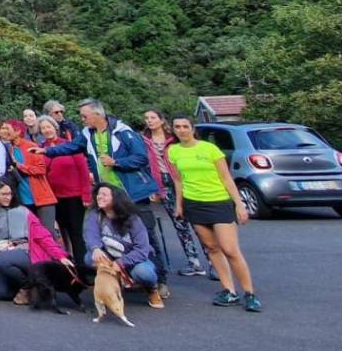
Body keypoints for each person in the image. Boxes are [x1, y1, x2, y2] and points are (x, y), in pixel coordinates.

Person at [42, 99, 167, 296]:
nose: (82, 120)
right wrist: (47, 151)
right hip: (107, 195)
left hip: (131, 193)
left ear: (97, 115)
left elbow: (141, 157)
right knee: (112, 234)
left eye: (85, 116)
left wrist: (117, 162)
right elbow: (71, 147)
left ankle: (157, 281)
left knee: (146, 236)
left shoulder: (123, 132)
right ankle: (122, 274)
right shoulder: (87, 134)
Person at [167, 117, 260, 311]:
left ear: (192, 129)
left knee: (230, 249)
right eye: (177, 127)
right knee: (211, 247)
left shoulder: (209, 149)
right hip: (194, 203)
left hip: (218, 201)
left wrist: (240, 205)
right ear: (173, 130)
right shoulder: (173, 151)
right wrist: (179, 205)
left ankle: (250, 293)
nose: (182, 130)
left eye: (185, 126)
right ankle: (229, 290)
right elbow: (178, 180)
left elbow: (226, 178)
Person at [0, 178, 72, 306]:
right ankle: (34, 287)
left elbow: (43, 235)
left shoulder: (23, 211)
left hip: (26, 253)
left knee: (0, 259)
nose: (8, 197)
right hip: (6, 255)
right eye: (4, 194)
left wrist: (60, 256)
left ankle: (28, 285)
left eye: (10, 194)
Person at [142, 109, 206, 276]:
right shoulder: (144, 140)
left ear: (162, 120)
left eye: (153, 117)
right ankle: (193, 261)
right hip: (163, 184)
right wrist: (153, 188)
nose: (149, 121)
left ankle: (213, 261)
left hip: (183, 180)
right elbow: (145, 165)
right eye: (147, 118)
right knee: (180, 223)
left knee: (199, 224)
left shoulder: (174, 139)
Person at [85, 183, 160, 307]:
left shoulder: (133, 219)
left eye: (104, 194)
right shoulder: (95, 215)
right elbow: (91, 234)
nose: (99, 197)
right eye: (98, 194)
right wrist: (95, 248)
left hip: (135, 258)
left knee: (143, 273)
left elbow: (142, 249)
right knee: (90, 257)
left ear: (115, 199)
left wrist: (121, 263)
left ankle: (152, 289)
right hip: (110, 255)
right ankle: (112, 286)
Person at [41, 116, 91, 266]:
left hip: (74, 196)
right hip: (54, 198)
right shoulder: (41, 148)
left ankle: (84, 268)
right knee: (62, 233)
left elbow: (83, 170)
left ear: (55, 127)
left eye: (48, 126)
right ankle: (69, 265)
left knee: (76, 232)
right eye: (43, 128)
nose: (46, 130)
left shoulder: (69, 145)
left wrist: (86, 194)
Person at [0, 119, 58, 236]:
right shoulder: (7, 148)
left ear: (17, 131)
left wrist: (20, 166)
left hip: (41, 197)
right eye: (3, 129)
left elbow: (41, 169)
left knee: (48, 233)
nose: (4, 131)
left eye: (7, 129)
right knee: (32, 234)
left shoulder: (30, 146)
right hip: (23, 198)